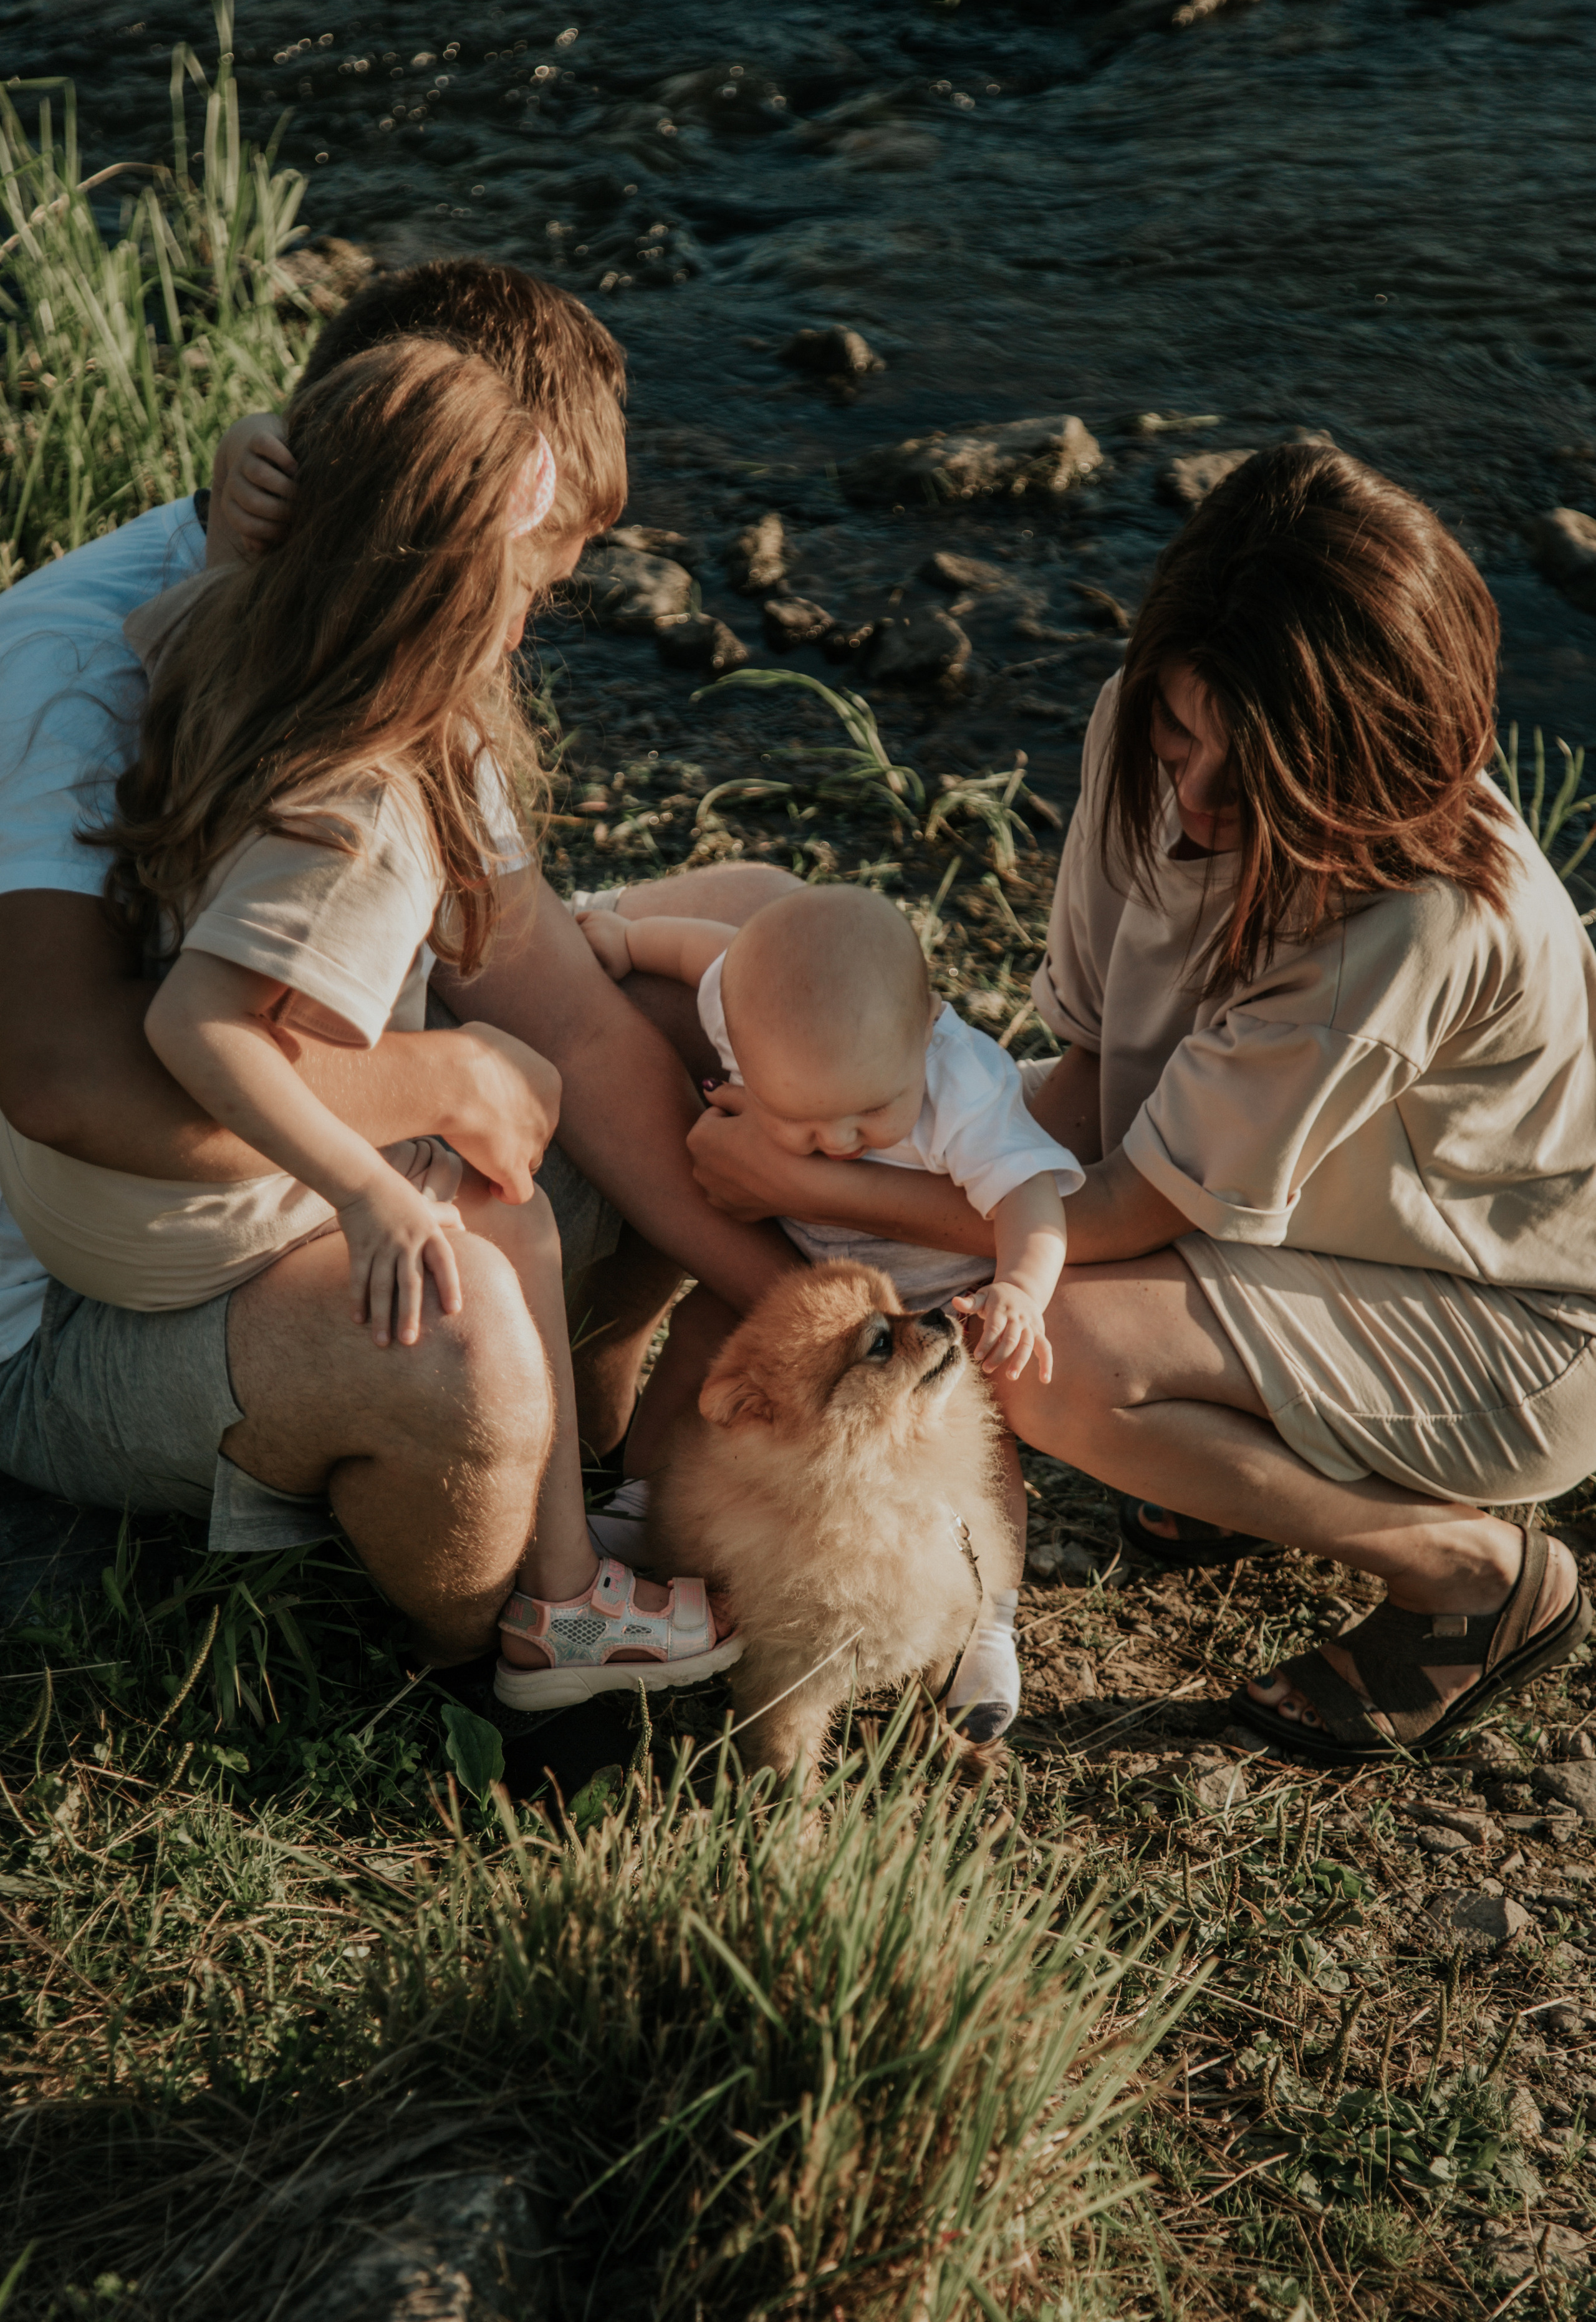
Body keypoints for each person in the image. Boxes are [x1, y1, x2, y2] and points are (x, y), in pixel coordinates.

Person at [682, 442, 1596, 1761]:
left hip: (1505, 1325)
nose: (1193, 805)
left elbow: (1112, 1205)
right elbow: (1104, 1069)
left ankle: (1467, 1575)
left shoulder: (1400, 925)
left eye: (1257, 777)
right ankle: (1228, 1455)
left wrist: (809, 1186)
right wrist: (883, 1161)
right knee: (947, 1210)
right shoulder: (1142, 727)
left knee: (1062, 1370)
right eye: (1180, 736)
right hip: (1288, 1227)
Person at [0, 260, 791, 1675]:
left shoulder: (319, 633)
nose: (519, 635)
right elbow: (57, 1079)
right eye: (521, 589)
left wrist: (785, 1282)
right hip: (72, 1303)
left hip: (259, 1184)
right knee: (462, 1330)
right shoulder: (65, 662)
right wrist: (441, 1077)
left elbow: (571, 1018)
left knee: (717, 1019)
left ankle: (586, 1445)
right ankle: (511, 1645)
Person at [580, 882, 1085, 1742]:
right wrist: (631, 943)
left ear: (928, 1026)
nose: (842, 1144)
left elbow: (1033, 1200)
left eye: (868, 1119)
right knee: (706, 1333)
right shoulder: (761, 1014)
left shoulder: (964, 1089)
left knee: (980, 1453)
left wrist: (1021, 1291)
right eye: (806, 1124)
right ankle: (643, 1499)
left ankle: (987, 1619)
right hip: (813, 1274)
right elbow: (709, 956)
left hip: (934, 1292)